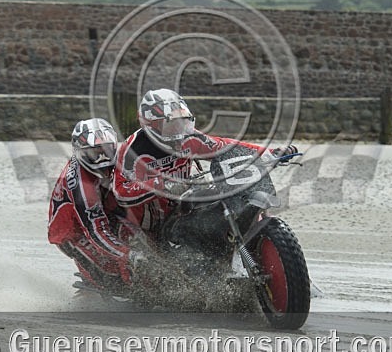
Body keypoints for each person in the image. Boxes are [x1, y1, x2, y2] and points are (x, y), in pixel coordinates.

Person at [112, 88, 297, 235]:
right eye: (171, 124)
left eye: (182, 122)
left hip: (182, 205)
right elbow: (121, 192)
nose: (179, 129)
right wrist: (162, 184)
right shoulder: (131, 151)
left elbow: (224, 146)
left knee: (219, 203)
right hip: (150, 224)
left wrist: (270, 153)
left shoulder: (188, 137)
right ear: (151, 124)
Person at [48, 118, 141, 291]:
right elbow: (95, 230)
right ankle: (96, 285)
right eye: (95, 153)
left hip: (103, 209)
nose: (102, 158)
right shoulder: (80, 185)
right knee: (112, 274)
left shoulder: (118, 158)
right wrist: (128, 255)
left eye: (106, 150)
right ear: (80, 152)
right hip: (72, 231)